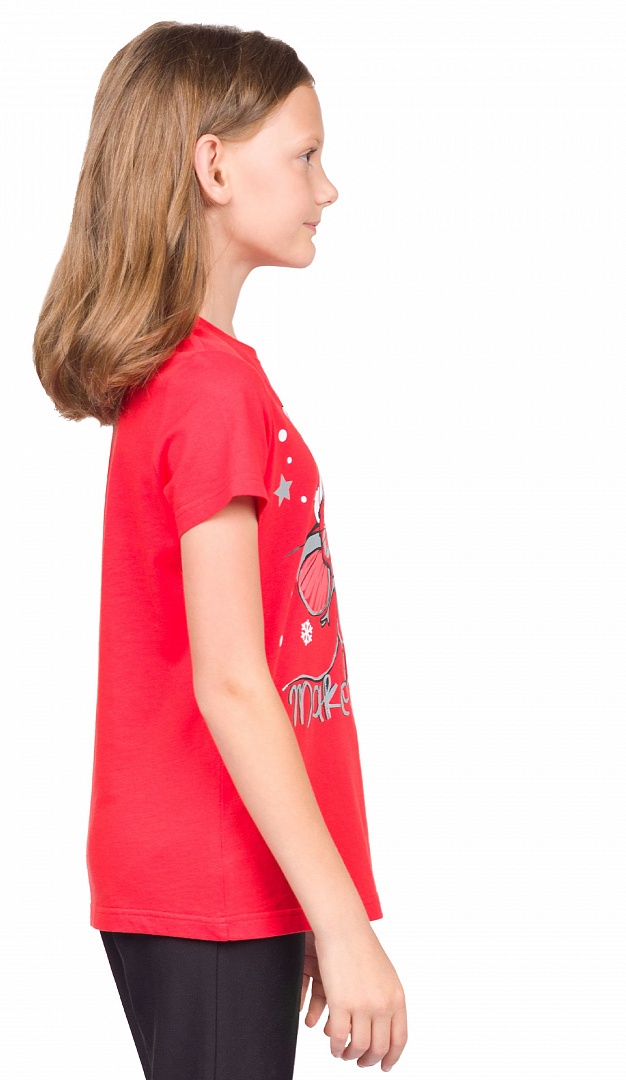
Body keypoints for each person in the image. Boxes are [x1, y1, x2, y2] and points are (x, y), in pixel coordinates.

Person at [33, 20, 408, 1079]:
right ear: (213, 166)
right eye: (305, 155)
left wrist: (307, 899)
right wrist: (341, 918)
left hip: (222, 882)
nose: (327, 188)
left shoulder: (192, 376)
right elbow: (234, 680)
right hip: (211, 878)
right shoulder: (209, 388)